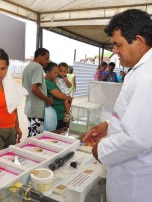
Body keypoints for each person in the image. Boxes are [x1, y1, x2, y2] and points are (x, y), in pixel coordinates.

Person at [83, 9, 152, 202]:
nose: (113, 51)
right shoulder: (139, 70)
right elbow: (134, 115)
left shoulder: (147, 76)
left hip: (134, 185)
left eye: (117, 44)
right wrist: (107, 126)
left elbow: (137, 139)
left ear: (139, 41)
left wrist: (100, 150)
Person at [22, 48, 53, 137]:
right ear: (39, 56)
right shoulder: (38, 67)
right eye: (46, 58)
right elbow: (34, 89)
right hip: (37, 109)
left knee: (32, 133)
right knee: (36, 137)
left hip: (29, 107)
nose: (47, 61)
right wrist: (47, 99)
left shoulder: (27, 67)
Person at [44, 62, 71, 129]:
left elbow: (70, 86)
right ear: (47, 72)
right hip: (56, 116)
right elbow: (61, 96)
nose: (56, 75)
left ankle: (67, 114)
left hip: (61, 116)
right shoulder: (47, 82)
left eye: (57, 73)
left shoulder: (53, 82)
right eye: (54, 73)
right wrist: (68, 97)